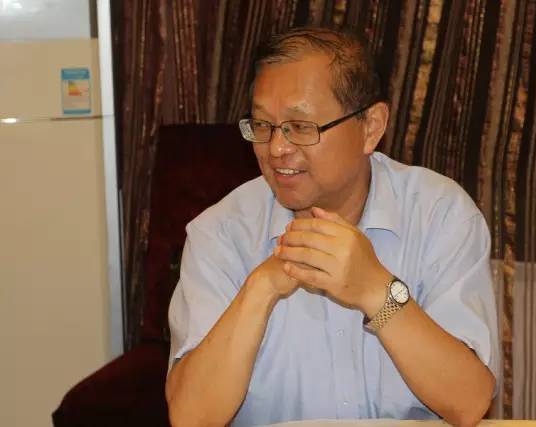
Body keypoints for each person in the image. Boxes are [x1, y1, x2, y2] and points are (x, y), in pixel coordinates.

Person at [165, 26, 499, 427]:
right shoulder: (220, 233)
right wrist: (260, 288)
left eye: (301, 127)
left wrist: (377, 291)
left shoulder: (440, 214)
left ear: (371, 127)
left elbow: (468, 403)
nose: (276, 149)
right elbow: (191, 418)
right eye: (262, 125)